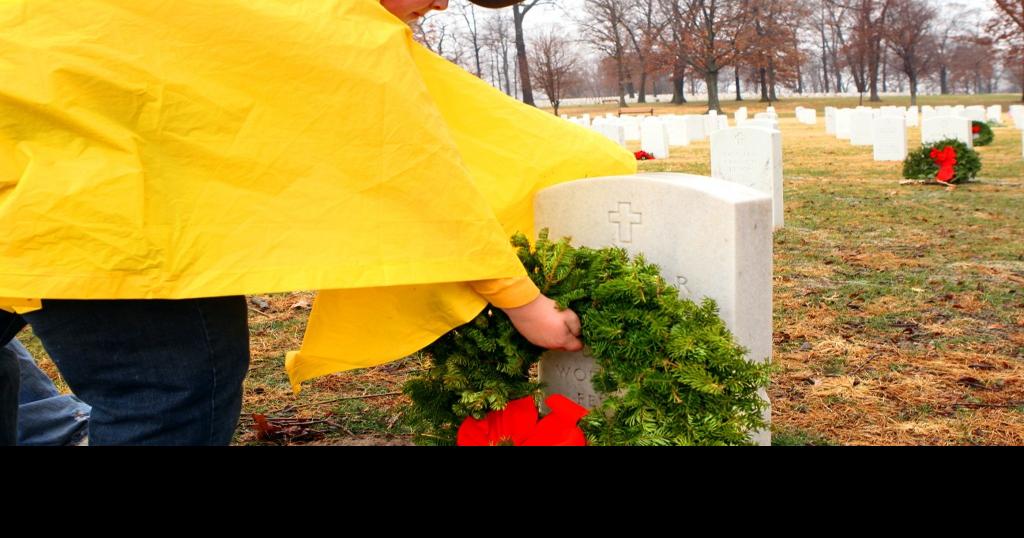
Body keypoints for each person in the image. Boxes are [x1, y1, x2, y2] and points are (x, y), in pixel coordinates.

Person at [0, 0, 634, 445]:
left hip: (25, 149)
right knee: (167, 392)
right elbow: (414, 177)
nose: (441, 6)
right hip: (98, 206)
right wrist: (523, 303)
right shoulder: (326, 21)